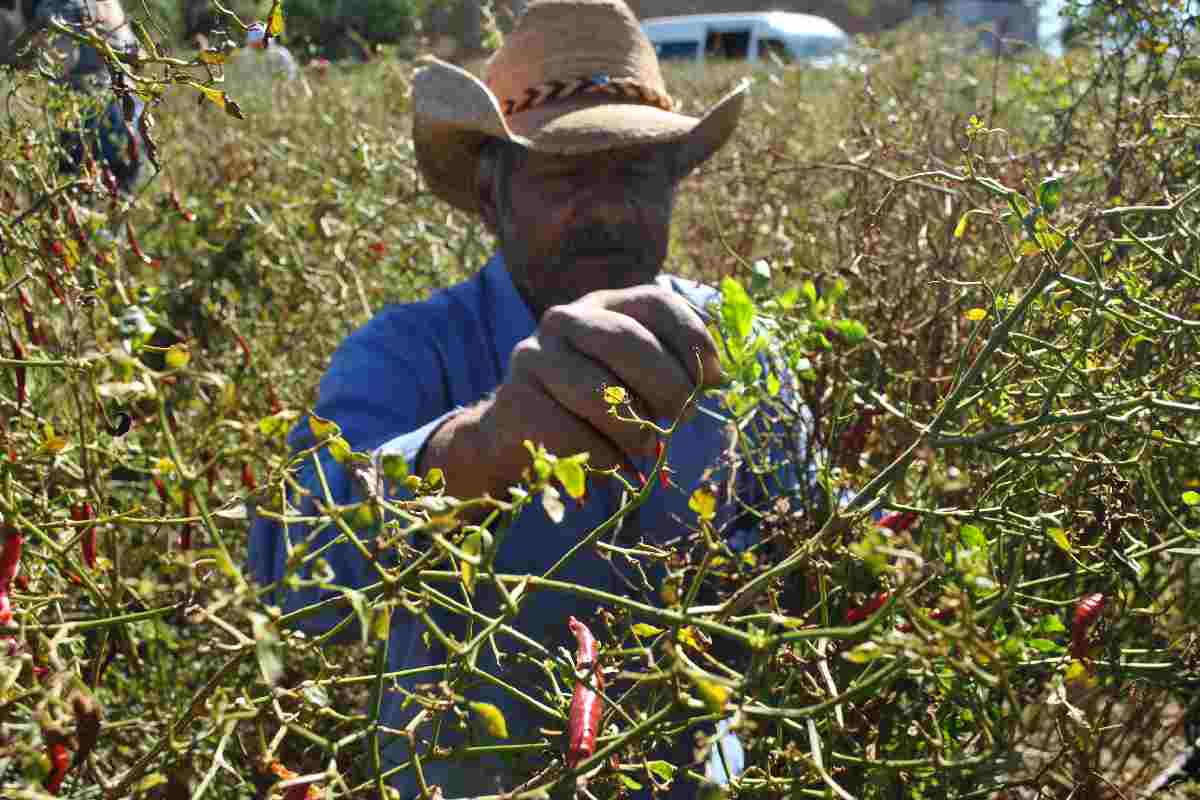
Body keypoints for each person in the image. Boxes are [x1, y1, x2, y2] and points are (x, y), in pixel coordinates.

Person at [247, 0, 804, 796]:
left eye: (639, 173)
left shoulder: (737, 354)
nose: (609, 208)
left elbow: (806, 551)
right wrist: (478, 450)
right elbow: (291, 575)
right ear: (490, 193)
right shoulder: (409, 354)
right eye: (567, 173)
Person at [17, 0, 146, 194]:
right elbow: (138, 55)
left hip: (86, 114)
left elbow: (61, 63)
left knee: (85, 191)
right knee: (120, 193)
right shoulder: (108, 3)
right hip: (124, 108)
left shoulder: (55, 9)